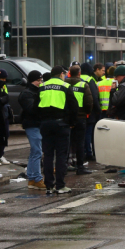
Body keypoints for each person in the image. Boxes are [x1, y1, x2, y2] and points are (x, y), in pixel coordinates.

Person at [39, 65, 79, 194]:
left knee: (48, 155)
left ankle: (49, 185)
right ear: (61, 74)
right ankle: (60, 185)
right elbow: (74, 106)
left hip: (46, 124)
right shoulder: (65, 86)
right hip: (61, 124)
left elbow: (36, 106)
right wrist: (71, 123)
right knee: (61, 155)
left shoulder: (42, 86)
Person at [19, 70, 46, 190]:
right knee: (37, 152)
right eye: (38, 81)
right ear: (31, 81)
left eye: (41, 80)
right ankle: (37, 178)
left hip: (36, 124)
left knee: (34, 152)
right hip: (32, 124)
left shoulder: (33, 92)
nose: (40, 83)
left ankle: (31, 178)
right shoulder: (27, 94)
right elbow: (31, 109)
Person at [66, 65, 94, 175]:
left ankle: (66, 164)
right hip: (80, 117)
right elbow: (89, 102)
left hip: (67, 118)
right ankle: (80, 166)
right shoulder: (83, 85)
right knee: (80, 142)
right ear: (79, 73)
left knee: (68, 141)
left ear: (69, 73)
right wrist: (87, 112)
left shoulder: (65, 84)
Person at [80, 63, 102, 161]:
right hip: (90, 112)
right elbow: (94, 97)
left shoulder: (77, 78)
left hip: (78, 111)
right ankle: (89, 153)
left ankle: (82, 153)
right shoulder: (90, 80)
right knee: (89, 133)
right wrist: (98, 110)